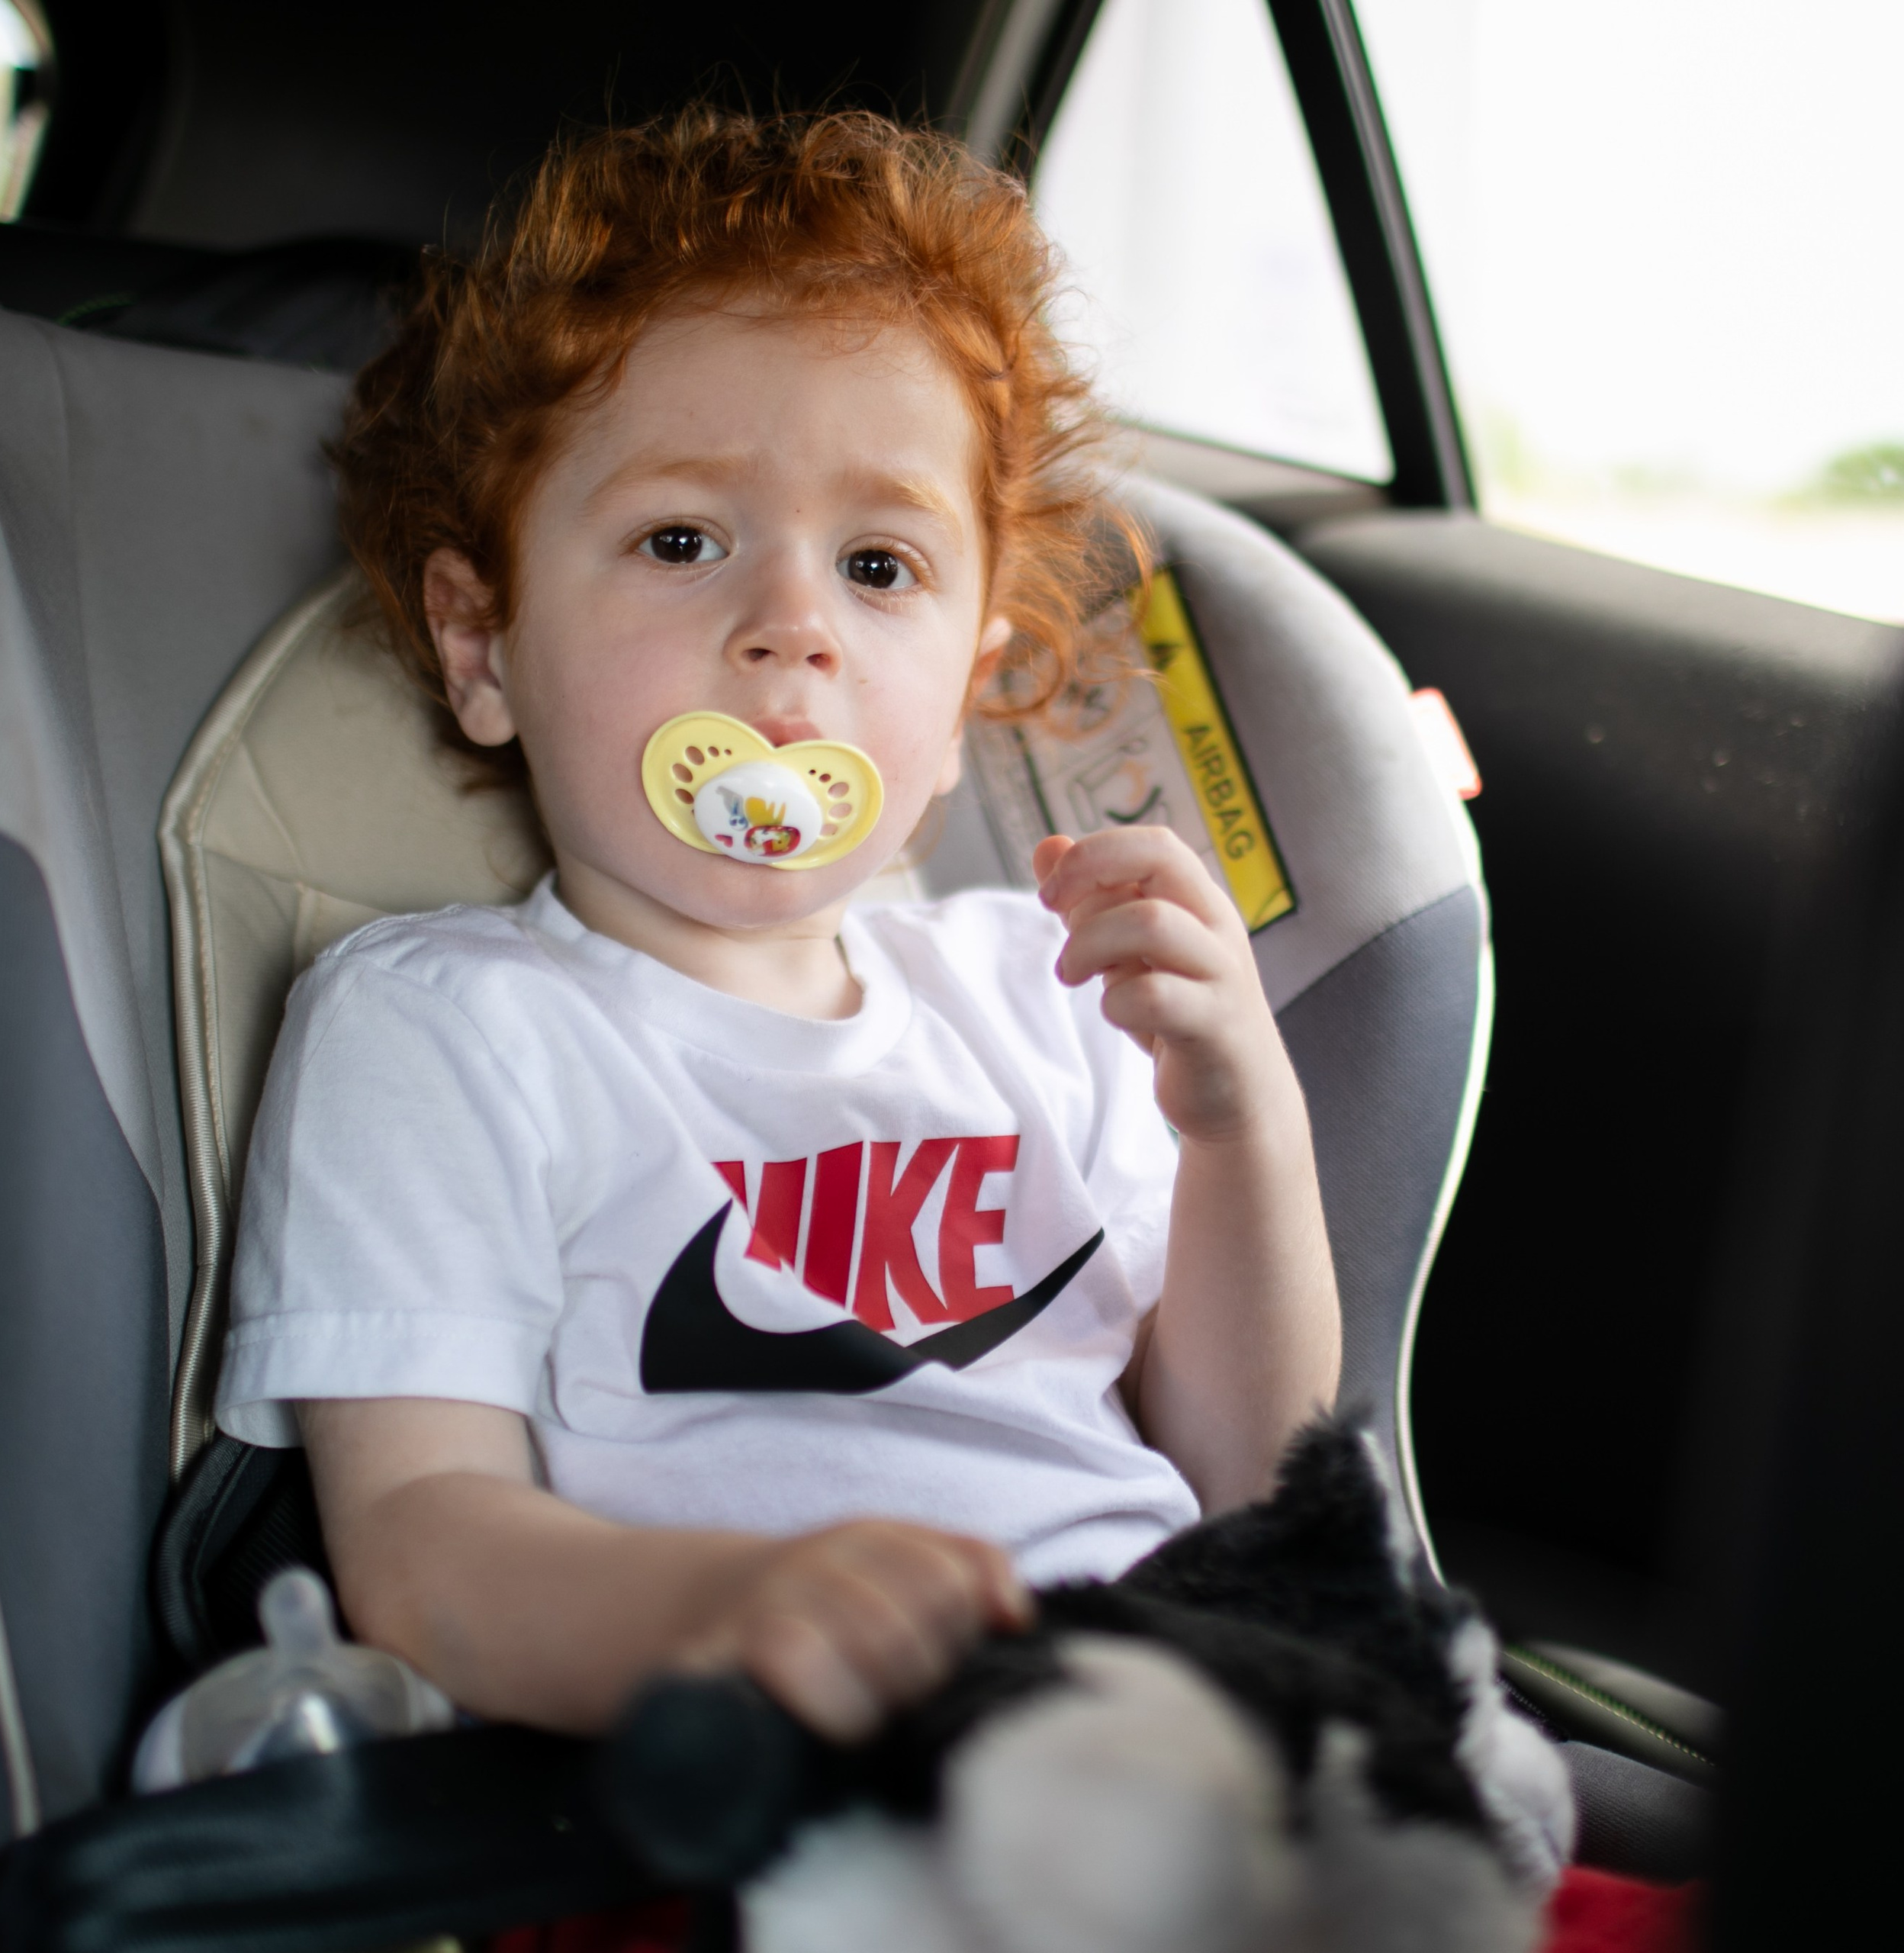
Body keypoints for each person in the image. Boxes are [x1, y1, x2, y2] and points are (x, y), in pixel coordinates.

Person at [215, 108, 1342, 1746]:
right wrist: (721, 1616)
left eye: (879, 565)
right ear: (482, 645)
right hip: (769, 1773)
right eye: (683, 542)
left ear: (959, 705)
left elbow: (1254, 1485)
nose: (791, 631)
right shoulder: (445, 1030)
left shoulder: (1041, 993)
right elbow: (420, 1549)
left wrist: (1241, 1122)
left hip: (1176, 1716)